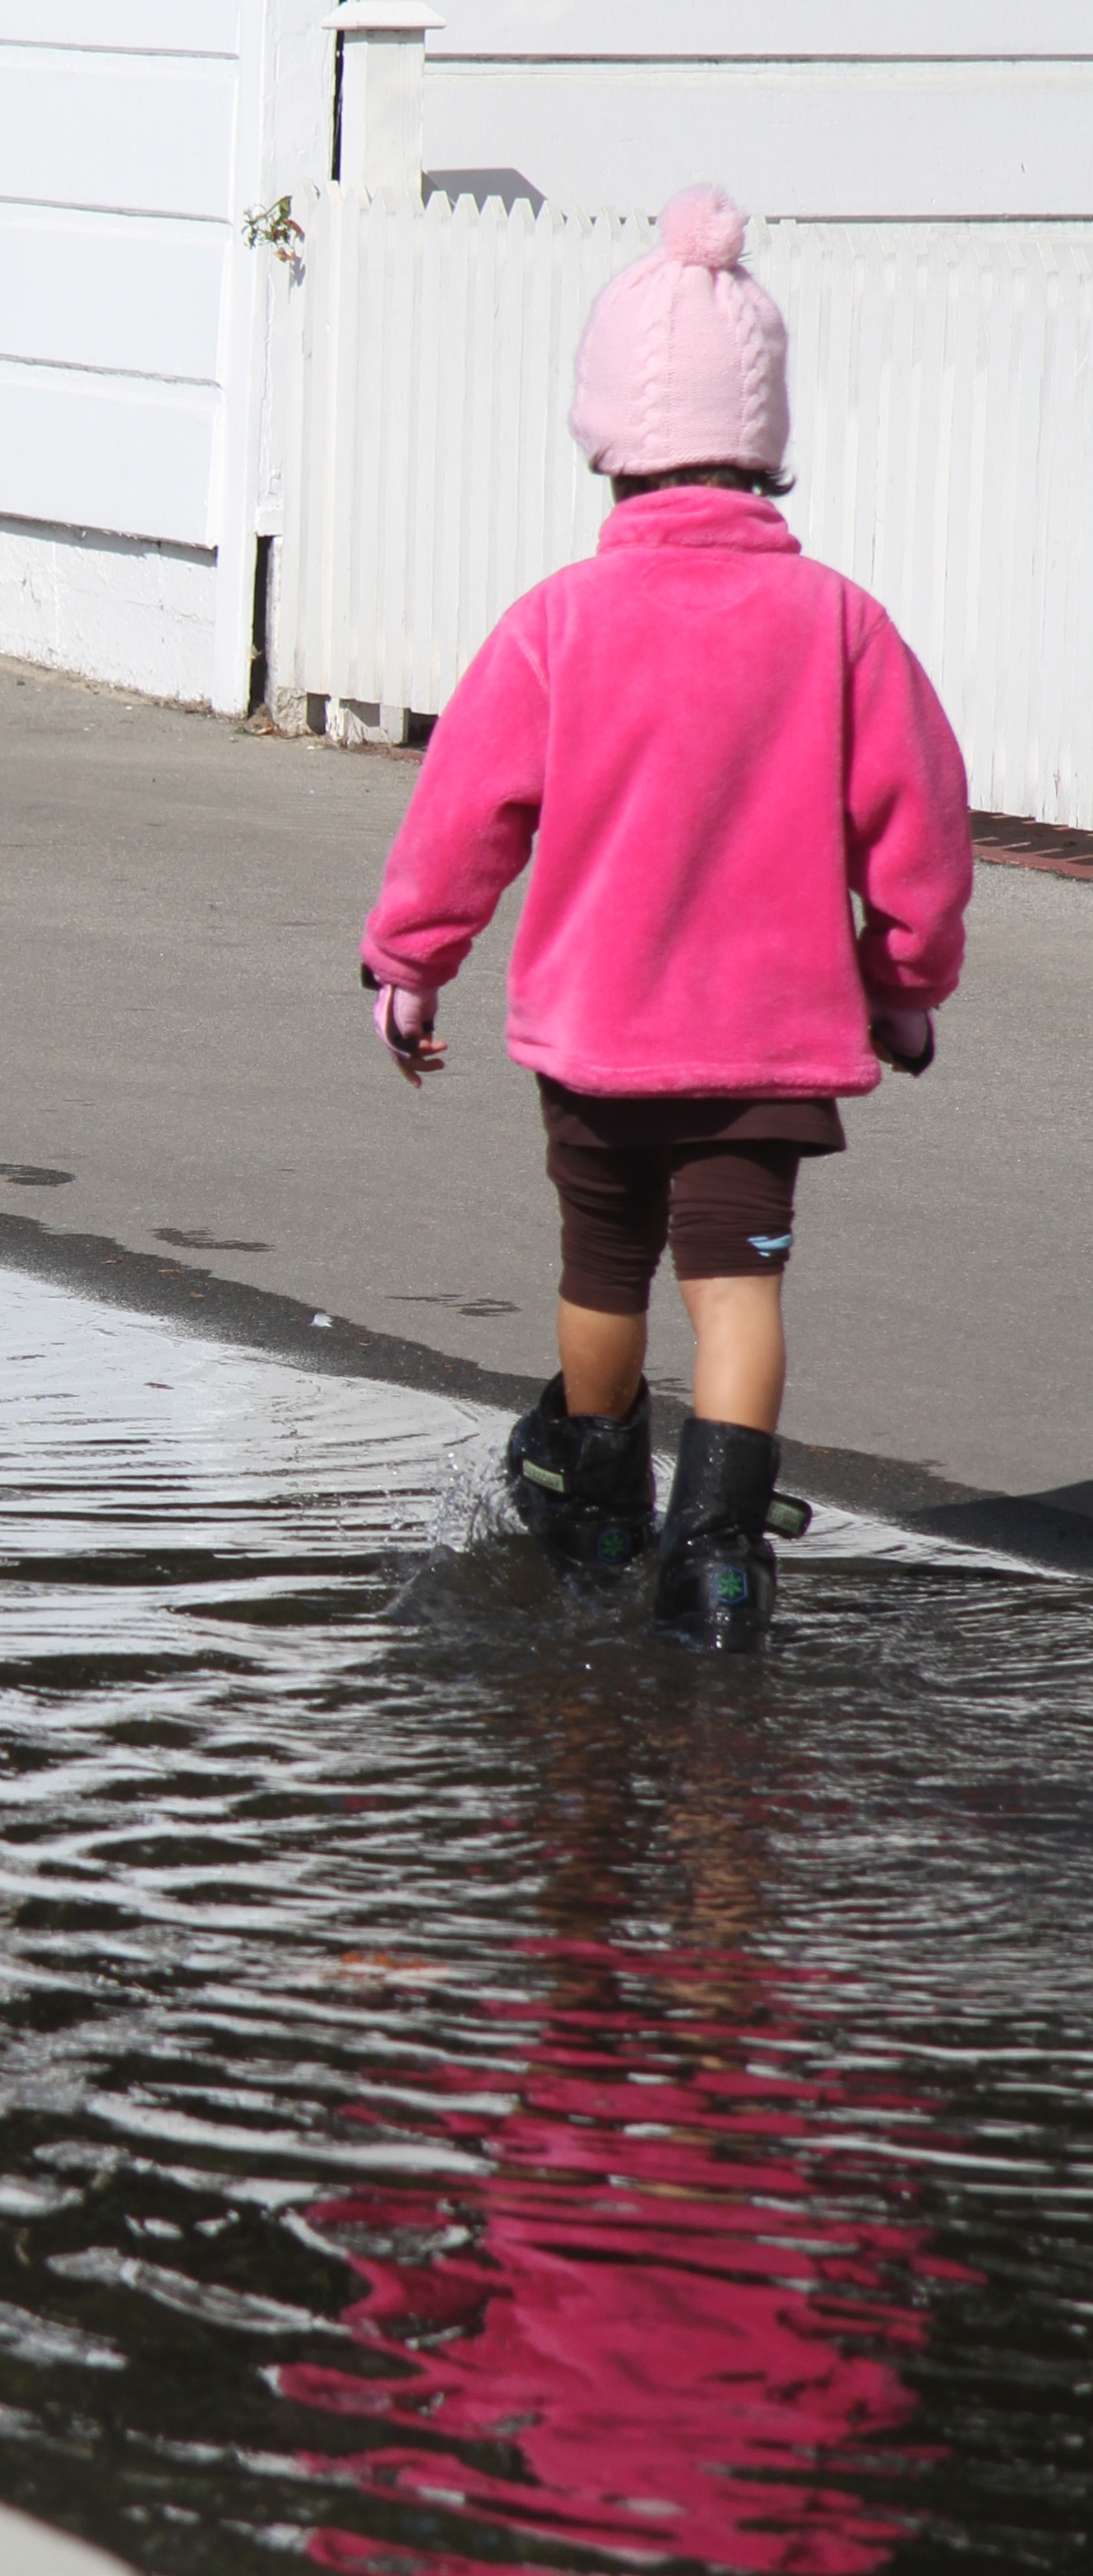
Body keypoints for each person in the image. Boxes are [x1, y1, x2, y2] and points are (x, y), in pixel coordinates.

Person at [354, 188, 972, 1649]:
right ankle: (720, 1555)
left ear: (610, 437)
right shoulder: (838, 623)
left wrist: (409, 962)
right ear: (765, 446)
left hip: (601, 1035)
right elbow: (919, 824)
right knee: (738, 1288)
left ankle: (600, 1498)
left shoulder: (560, 620)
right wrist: (905, 979)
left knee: (602, 1273)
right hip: (769, 1044)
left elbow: (467, 815)